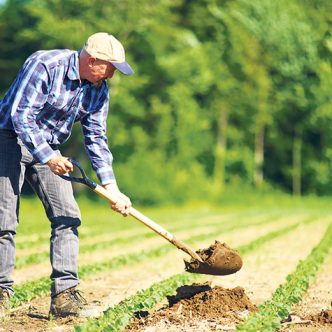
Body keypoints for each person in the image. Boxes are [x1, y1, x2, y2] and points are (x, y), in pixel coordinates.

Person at [0, 32, 133, 318]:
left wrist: (112, 187)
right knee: (4, 220)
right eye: (110, 67)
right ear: (93, 59)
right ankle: (0, 291)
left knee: (68, 216)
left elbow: (96, 138)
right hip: (8, 137)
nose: (112, 74)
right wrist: (48, 157)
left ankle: (64, 296)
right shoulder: (46, 65)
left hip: (50, 148)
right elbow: (20, 115)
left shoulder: (99, 88)